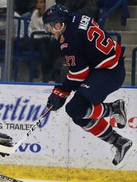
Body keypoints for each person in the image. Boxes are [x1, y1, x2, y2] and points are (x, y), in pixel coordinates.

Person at [42, 4, 136, 167]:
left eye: (53, 25)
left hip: (109, 72)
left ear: (61, 23)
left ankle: (114, 108)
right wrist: (62, 91)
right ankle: (119, 142)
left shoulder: (68, 40)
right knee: (79, 114)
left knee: (74, 109)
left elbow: (80, 73)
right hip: (103, 68)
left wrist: (61, 91)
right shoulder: (76, 18)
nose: (51, 30)